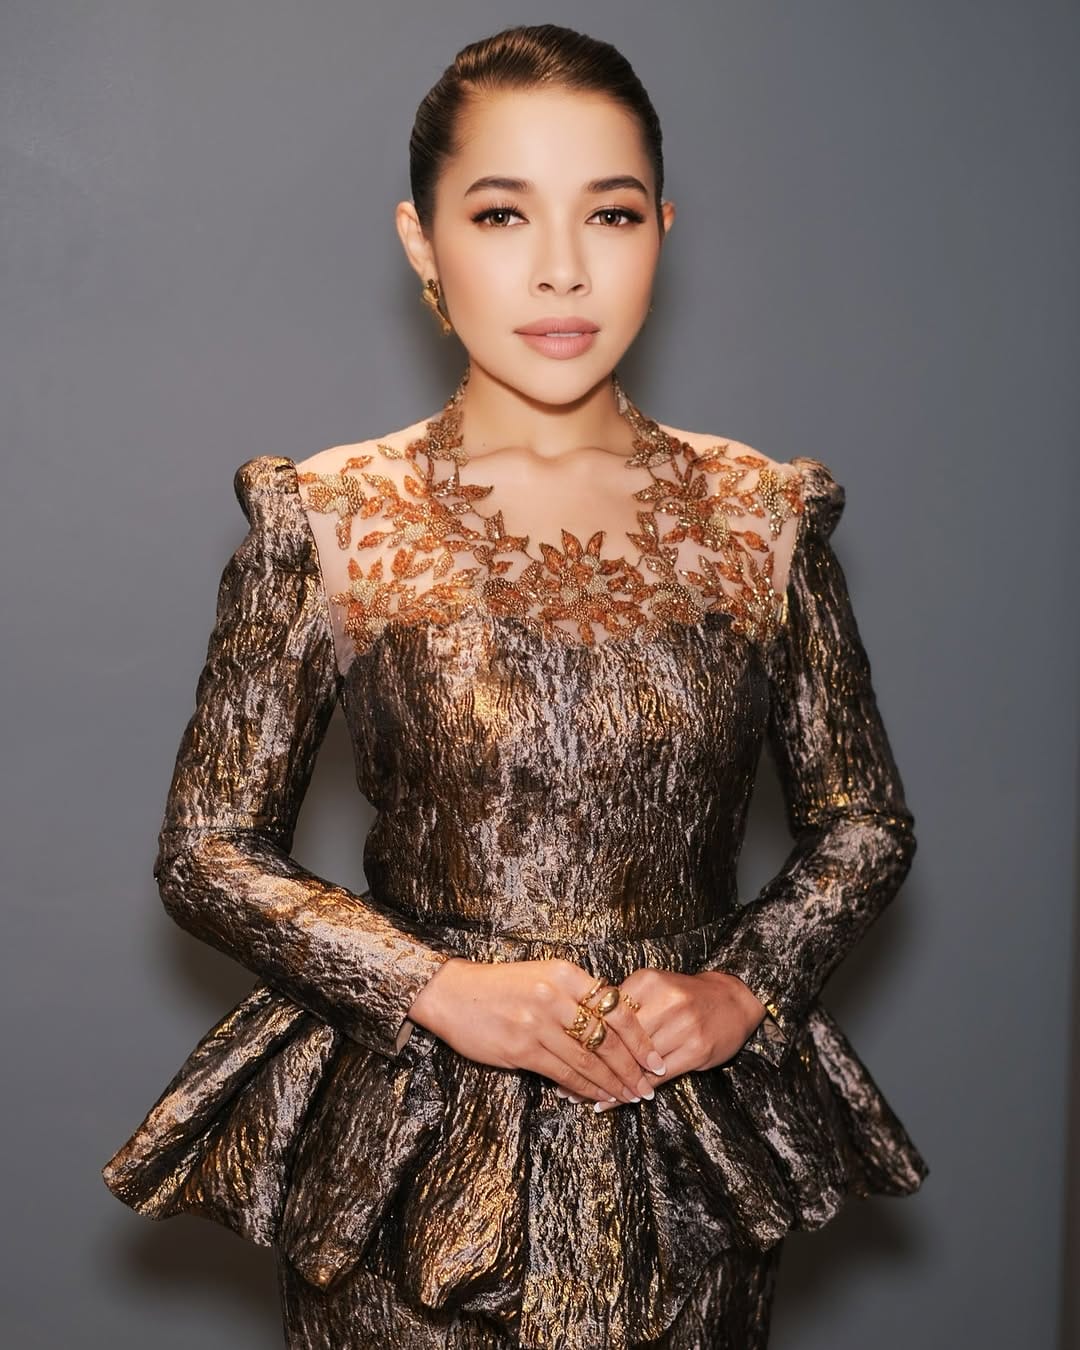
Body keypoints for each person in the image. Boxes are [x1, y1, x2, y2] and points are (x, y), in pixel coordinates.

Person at [101, 22, 929, 1349]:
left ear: (662, 231)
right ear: (421, 242)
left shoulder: (760, 515)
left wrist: (742, 986)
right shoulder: (332, 517)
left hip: (680, 1152)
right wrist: (434, 986)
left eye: (609, 213)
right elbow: (205, 848)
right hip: (420, 1149)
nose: (561, 267)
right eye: (501, 214)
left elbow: (864, 822)